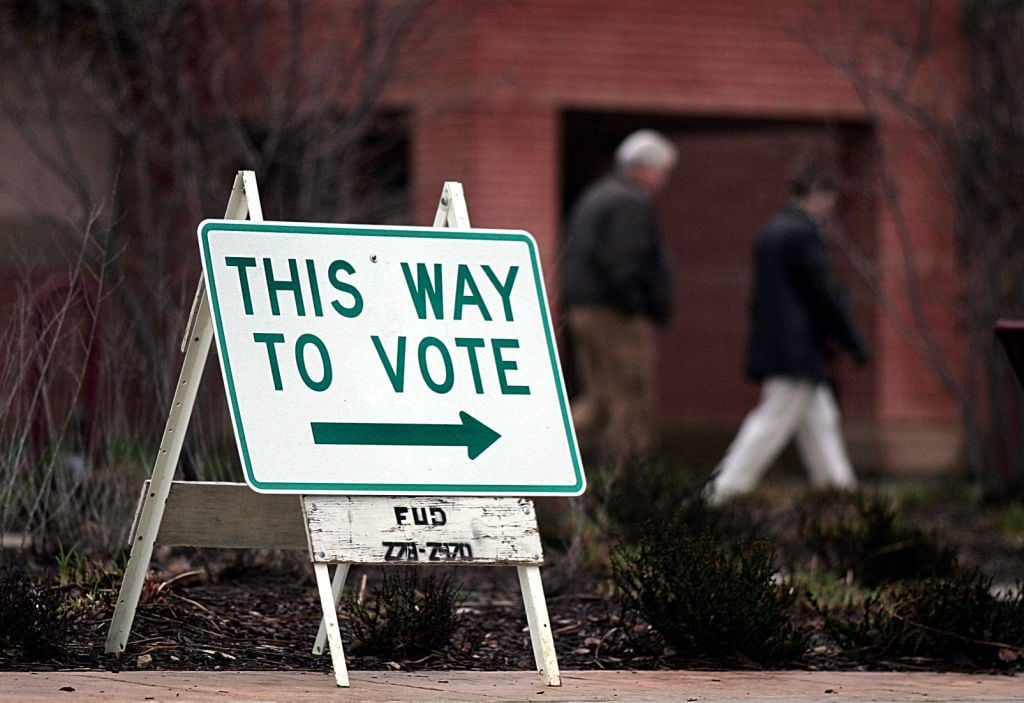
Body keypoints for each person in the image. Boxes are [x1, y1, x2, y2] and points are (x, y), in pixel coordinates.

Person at [704, 155, 869, 506]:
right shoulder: (802, 234)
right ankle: (721, 493)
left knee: (820, 420)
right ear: (817, 194)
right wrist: (852, 340)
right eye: (829, 198)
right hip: (797, 348)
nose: (830, 207)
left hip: (783, 344)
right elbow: (820, 295)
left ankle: (841, 493)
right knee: (772, 421)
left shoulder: (775, 229)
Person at [561, 129, 677, 466]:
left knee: (597, 401)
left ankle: (545, 455)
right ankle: (630, 482)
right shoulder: (630, 201)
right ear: (643, 168)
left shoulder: (597, 195)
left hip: (584, 310)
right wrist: (638, 305)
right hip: (615, 314)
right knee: (631, 400)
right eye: (663, 171)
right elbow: (624, 262)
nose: (663, 181)